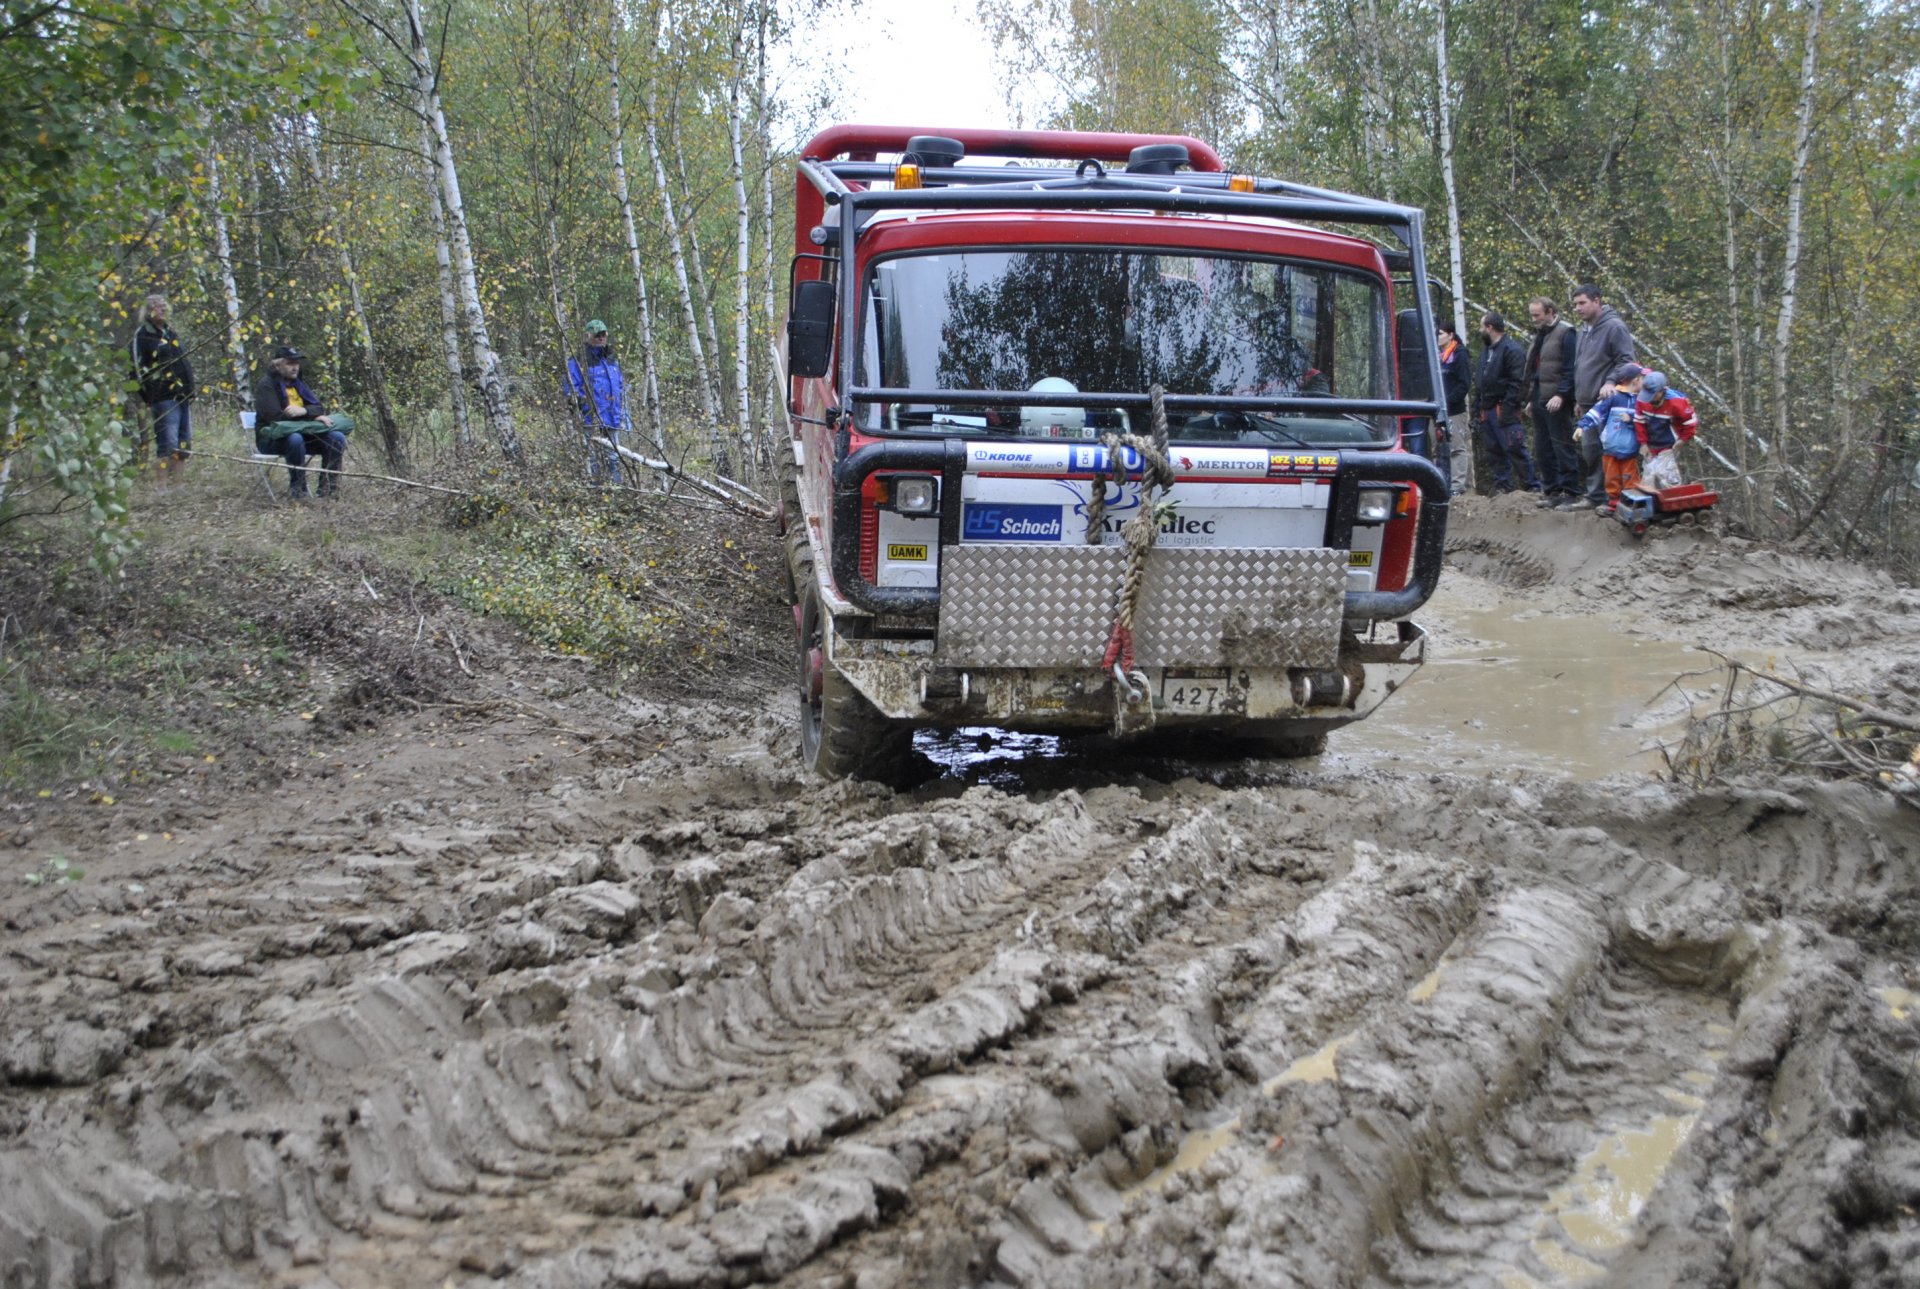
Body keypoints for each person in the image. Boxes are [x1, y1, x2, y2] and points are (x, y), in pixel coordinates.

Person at [252, 346, 354, 500]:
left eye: (297, 363)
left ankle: (328, 491)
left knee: (337, 437)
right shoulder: (266, 385)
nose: (295, 367)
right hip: (271, 439)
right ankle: (299, 490)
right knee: (295, 438)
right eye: (289, 363)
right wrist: (309, 417)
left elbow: (319, 408)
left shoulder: (298, 384)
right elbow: (275, 418)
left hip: (303, 435)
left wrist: (304, 411)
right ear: (277, 365)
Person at [1569, 284, 1635, 510]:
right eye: (1575, 304)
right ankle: (1595, 496)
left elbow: (1627, 361)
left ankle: (1616, 499)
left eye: (1582, 303)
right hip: (1587, 403)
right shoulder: (1584, 330)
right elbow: (1581, 366)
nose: (1578, 308)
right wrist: (1579, 398)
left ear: (1597, 301)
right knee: (1591, 452)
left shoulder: (1614, 327)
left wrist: (1610, 381)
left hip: (1609, 404)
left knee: (1612, 452)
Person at [130, 294, 195, 489]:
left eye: (164, 306)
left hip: (182, 395)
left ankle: (179, 486)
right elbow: (136, 369)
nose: (163, 310)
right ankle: (162, 487)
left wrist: (190, 389)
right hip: (162, 397)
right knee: (167, 444)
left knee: (183, 443)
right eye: (158, 307)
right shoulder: (143, 335)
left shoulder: (170, 332)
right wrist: (148, 396)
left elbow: (182, 362)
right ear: (149, 311)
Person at [1471, 311, 1539, 495]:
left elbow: (1517, 383)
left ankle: (1532, 487)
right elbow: (1481, 381)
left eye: (1481, 327)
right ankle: (1503, 486)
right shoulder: (1486, 350)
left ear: (1489, 327)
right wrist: (1477, 409)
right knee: (1493, 450)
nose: (1480, 330)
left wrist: (1508, 409)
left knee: (1514, 447)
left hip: (1504, 407)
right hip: (1487, 408)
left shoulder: (1512, 350)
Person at [1524, 297, 1579, 506]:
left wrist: (1562, 394)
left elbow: (1570, 368)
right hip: (1540, 396)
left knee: (1562, 445)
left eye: (1537, 315)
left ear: (1550, 312)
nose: (1534, 319)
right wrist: (1531, 397)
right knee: (1543, 447)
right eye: (1532, 315)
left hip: (1557, 399)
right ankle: (1551, 490)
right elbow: (1535, 368)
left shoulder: (1566, 332)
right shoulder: (1541, 334)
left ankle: (1570, 491)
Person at [1575, 363, 1645, 513]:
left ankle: (1631, 504)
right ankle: (1613, 503)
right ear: (1636, 380)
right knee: (1611, 477)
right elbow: (1596, 412)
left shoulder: (1640, 400)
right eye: (1642, 379)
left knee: (1630, 478)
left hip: (1630, 450)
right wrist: (1582, 426)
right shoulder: (1613, 397)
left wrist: (1631, 417)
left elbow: (1645, 419)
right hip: (1610, 447)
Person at [565, 319, 625, 484]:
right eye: (597, 335)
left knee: (613, 457)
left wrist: (621, 411)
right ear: (588, 336)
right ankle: (594, 490)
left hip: (611, 417)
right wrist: (582, 407)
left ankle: (617, 489)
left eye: (603, 334)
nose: (601, 338)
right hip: (589, 418)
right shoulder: (578, 360)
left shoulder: (611, 359)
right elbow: (571, 387)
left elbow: (619, 385)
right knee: (591, 458)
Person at [1635, 370, 1698, 491]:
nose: (1650, 399)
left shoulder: (1677, 403)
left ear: (1662, 391)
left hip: (1669, 444)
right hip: (1650, 444)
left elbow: (1690, 423)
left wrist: (1682, 440)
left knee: (1667, 476)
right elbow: (1639, 421)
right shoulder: (1642, 400)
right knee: (1649, 475)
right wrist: (1643, 443)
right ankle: (1651, 499)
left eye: (1653, 395)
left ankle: (1673, 497)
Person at [1436, 321, 1471, 496]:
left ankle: (1458, 486)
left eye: (1440, 333)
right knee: (1439, 448)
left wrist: (1448, 402)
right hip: (1437, 410)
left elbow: (1464, 384)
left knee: (1457, 447)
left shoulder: (1459, 353)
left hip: (1454, 410)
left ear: (1450, 335)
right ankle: (1442, 483)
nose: (1437, 337)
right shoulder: (1437, 354)